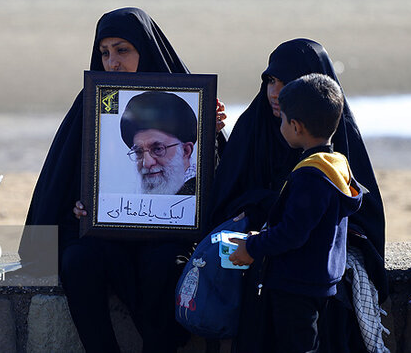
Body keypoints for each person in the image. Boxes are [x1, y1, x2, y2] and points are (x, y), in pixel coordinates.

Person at [19, 7, 226, 353]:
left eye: (122, 50)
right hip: (111, 235)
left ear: (145, 49)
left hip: (167, 238)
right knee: (77, 260)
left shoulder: (191, 103)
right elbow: (67, 179)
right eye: (104, 52)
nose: (112, 62)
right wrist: (78, 204)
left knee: (164, 264)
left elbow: (217, 186)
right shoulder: (93, 101)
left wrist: (211, 135)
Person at [208, 38, 387, 353]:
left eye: (286, 83)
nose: (275, 93)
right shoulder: (254, 125)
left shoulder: (341, 143)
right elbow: (225, 193)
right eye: (271, 81)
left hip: (304, 274)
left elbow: (364, 220)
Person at [229, 73, 363, 352]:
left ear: (296, 126)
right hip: (322, 281)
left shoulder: (310, 175)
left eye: (282, 120)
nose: (280, 125)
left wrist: (252, 246)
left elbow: (293, 233)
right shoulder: (337, 164)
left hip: (295, 285)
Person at [120, 91, 197, 195]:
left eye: (158, 149)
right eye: (139, 152)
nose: (146, 163)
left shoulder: (205, 193)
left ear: (185, 151)